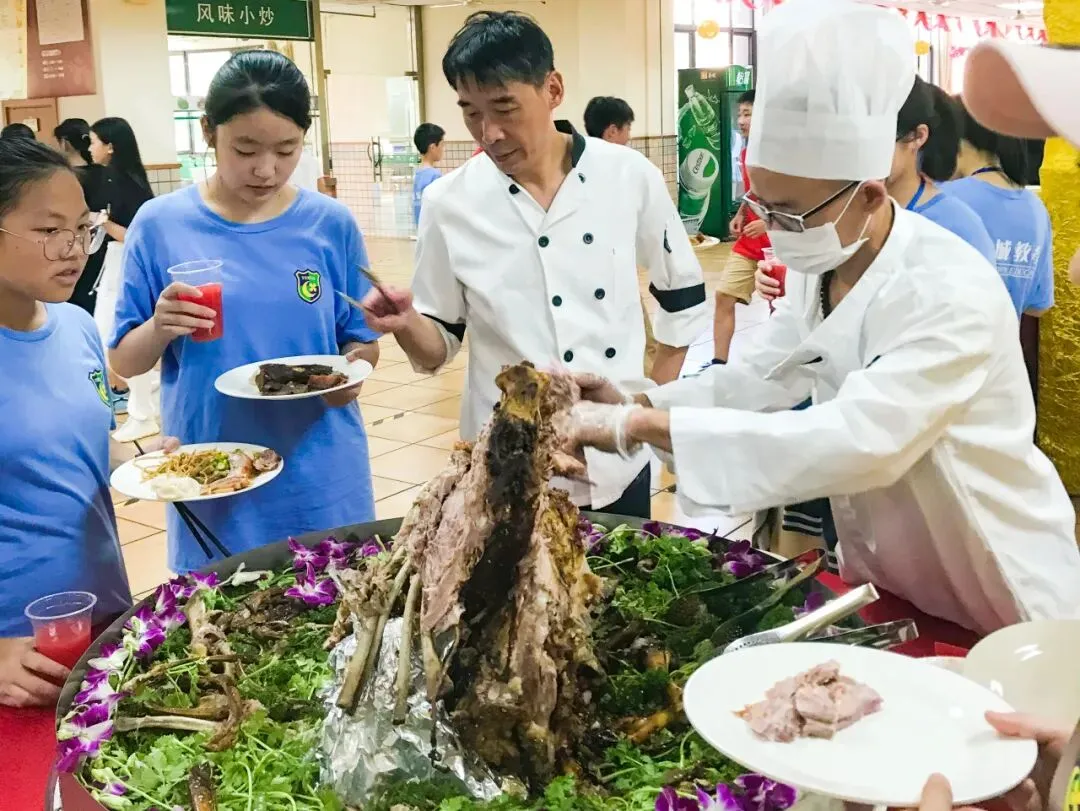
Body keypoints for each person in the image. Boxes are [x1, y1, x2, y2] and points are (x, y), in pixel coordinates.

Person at [567, 0, 1080, 634]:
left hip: (996, 574)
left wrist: (637, 426)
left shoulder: (949, 287)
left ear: (868, 195)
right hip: (892, 573)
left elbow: (857, 439)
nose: (773, 231)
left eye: (788, 215)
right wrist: (639, 400)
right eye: (764, 207)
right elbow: (761, 375)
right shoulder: (824, 263)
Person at [361, 11, 708, 519]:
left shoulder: (628, 175)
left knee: (620, 588)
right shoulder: (449, 201)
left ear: (553, 88)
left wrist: (642, 403)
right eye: (470, 112)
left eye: (504, 107)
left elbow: (682, 295)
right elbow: (437, 347)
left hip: (614, 455)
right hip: (505, 457)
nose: (490, 132)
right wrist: (406, 323)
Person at [108, 50, 380, 574]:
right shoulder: (160, 224)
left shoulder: (330, 224)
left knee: (333, 615)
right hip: (214, 465)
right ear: (209, 132)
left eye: (286, 149)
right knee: (226, 629)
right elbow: (125, 359)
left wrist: (355, 371)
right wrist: (161, 327)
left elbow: (360, 338)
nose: (265, 169)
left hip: (321, 464)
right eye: (245, 149)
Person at [0, 137, 130, 705]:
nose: (74, 249)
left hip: (104, 620)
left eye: (82, 228)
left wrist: (157, 463)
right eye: (49, 231)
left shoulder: (77, 327)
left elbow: (82, 452)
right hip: (19, 655)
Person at [945, 96, 1053, 319]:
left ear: (959, 141)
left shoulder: (944, 199)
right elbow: (1038, 305)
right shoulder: (1036, 208)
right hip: (1006, 349)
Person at [86, 117, 158, 439]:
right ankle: (144, 403)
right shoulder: (123, 179)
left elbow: (133, 236)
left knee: (113, 335)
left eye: (94, 141)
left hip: (124, 263)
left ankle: (144, 411)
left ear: (110, 146)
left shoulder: (122, 182)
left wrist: (101, 222)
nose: (90, 148)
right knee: (107, 337)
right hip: (116, 263)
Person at [712, 90, 768, 366]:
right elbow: (753, 193)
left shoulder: (779, 155)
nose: (742, 121)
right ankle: (718, 364)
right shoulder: (746, 152)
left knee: (779, 307)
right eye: (740, 115)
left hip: (780, 242)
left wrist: (769, 222)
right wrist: (741, 213)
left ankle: (782, 366)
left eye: (748, 114)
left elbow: (801, 204)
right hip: (749, 240)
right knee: (724, 295)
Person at [412, 122, 445, 225]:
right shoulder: (435, 175)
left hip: (421, 227)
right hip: (431, 228)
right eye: (442, 145)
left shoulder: (418, 174)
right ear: (432, 147)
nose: (443, 149)